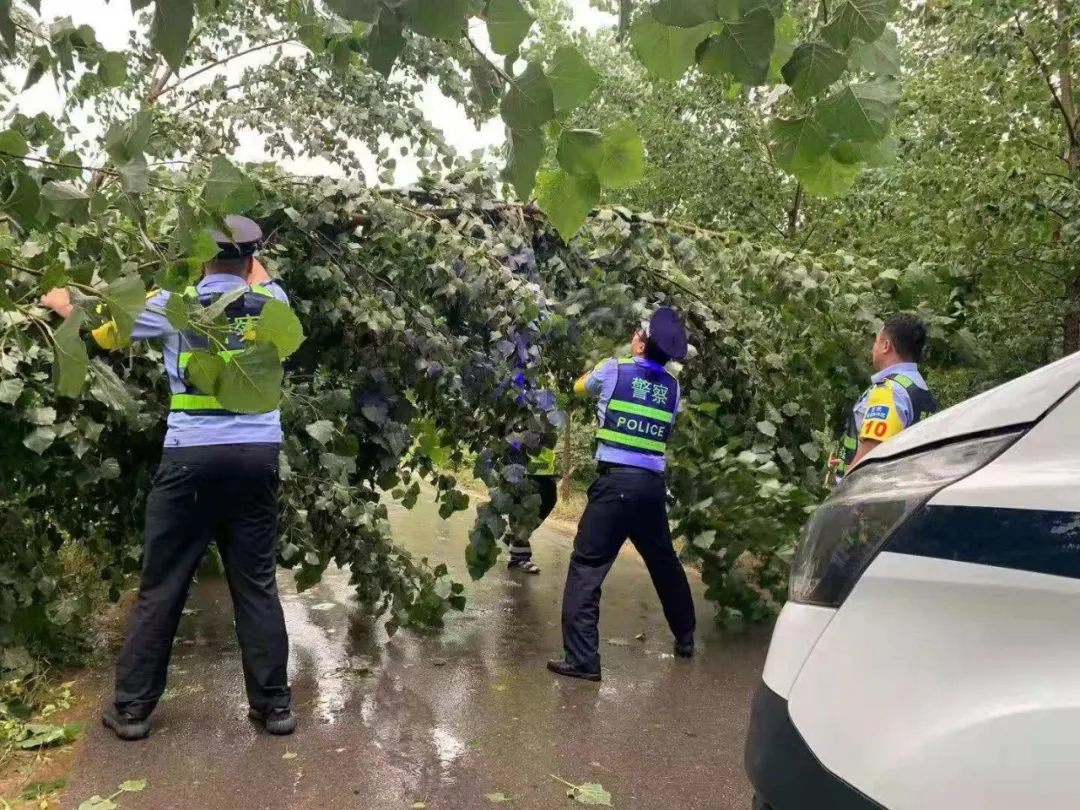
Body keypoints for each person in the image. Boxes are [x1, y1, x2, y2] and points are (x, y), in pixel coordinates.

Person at [40, 216, 296, 740]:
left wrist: (57, 300)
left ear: (203, 256)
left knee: (163, 584)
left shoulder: (173, 303)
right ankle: (275, 709)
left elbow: (105, 334)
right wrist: (237, 249)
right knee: (256, 583)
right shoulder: (276, 304)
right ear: (252, 258)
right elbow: (255, 270)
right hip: (256, 455)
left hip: (192, 457)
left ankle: (132, 710)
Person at [547, 308, 696, 682]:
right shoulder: (674, 389)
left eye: (636, 333)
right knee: (665, 563)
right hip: (650, 488)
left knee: (588, 567)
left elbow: (580, 387)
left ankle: (583, 660)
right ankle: (686, 638)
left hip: (614, 486)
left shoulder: (613, 369)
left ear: (641, 343)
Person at [835, 312, 938, 480]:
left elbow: (868, 459)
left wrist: (840, 494)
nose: (873, 347)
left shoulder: (889, 391)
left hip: (870, 496)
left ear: (886, 346)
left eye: (876, 341)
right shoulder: (918, 387)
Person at [505, 449, 558, 575]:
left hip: (545, 471)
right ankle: (519, 557)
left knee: (549, 501)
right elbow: (510, 438)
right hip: (523, 470)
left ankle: (512, 535)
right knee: (522, 511)